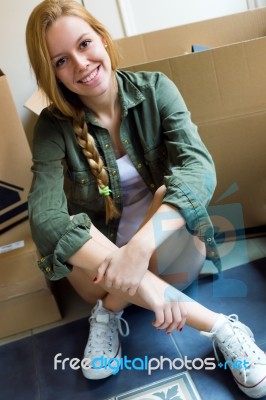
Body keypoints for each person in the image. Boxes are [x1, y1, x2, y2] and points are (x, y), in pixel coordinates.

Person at [25, 0, 266, 397]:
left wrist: (139, 248)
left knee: (167, 192)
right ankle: (218, 324)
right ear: (51, 74)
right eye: (61, 61)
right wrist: (147, 285)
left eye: (85, 44)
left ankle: (108, 314)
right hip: (100, 273)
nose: (81, 64)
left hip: (172, 253)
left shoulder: (156, 90)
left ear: (103, 38)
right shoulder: (51, 127)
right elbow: (43, 216)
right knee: (60, 222)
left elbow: (199, 170)